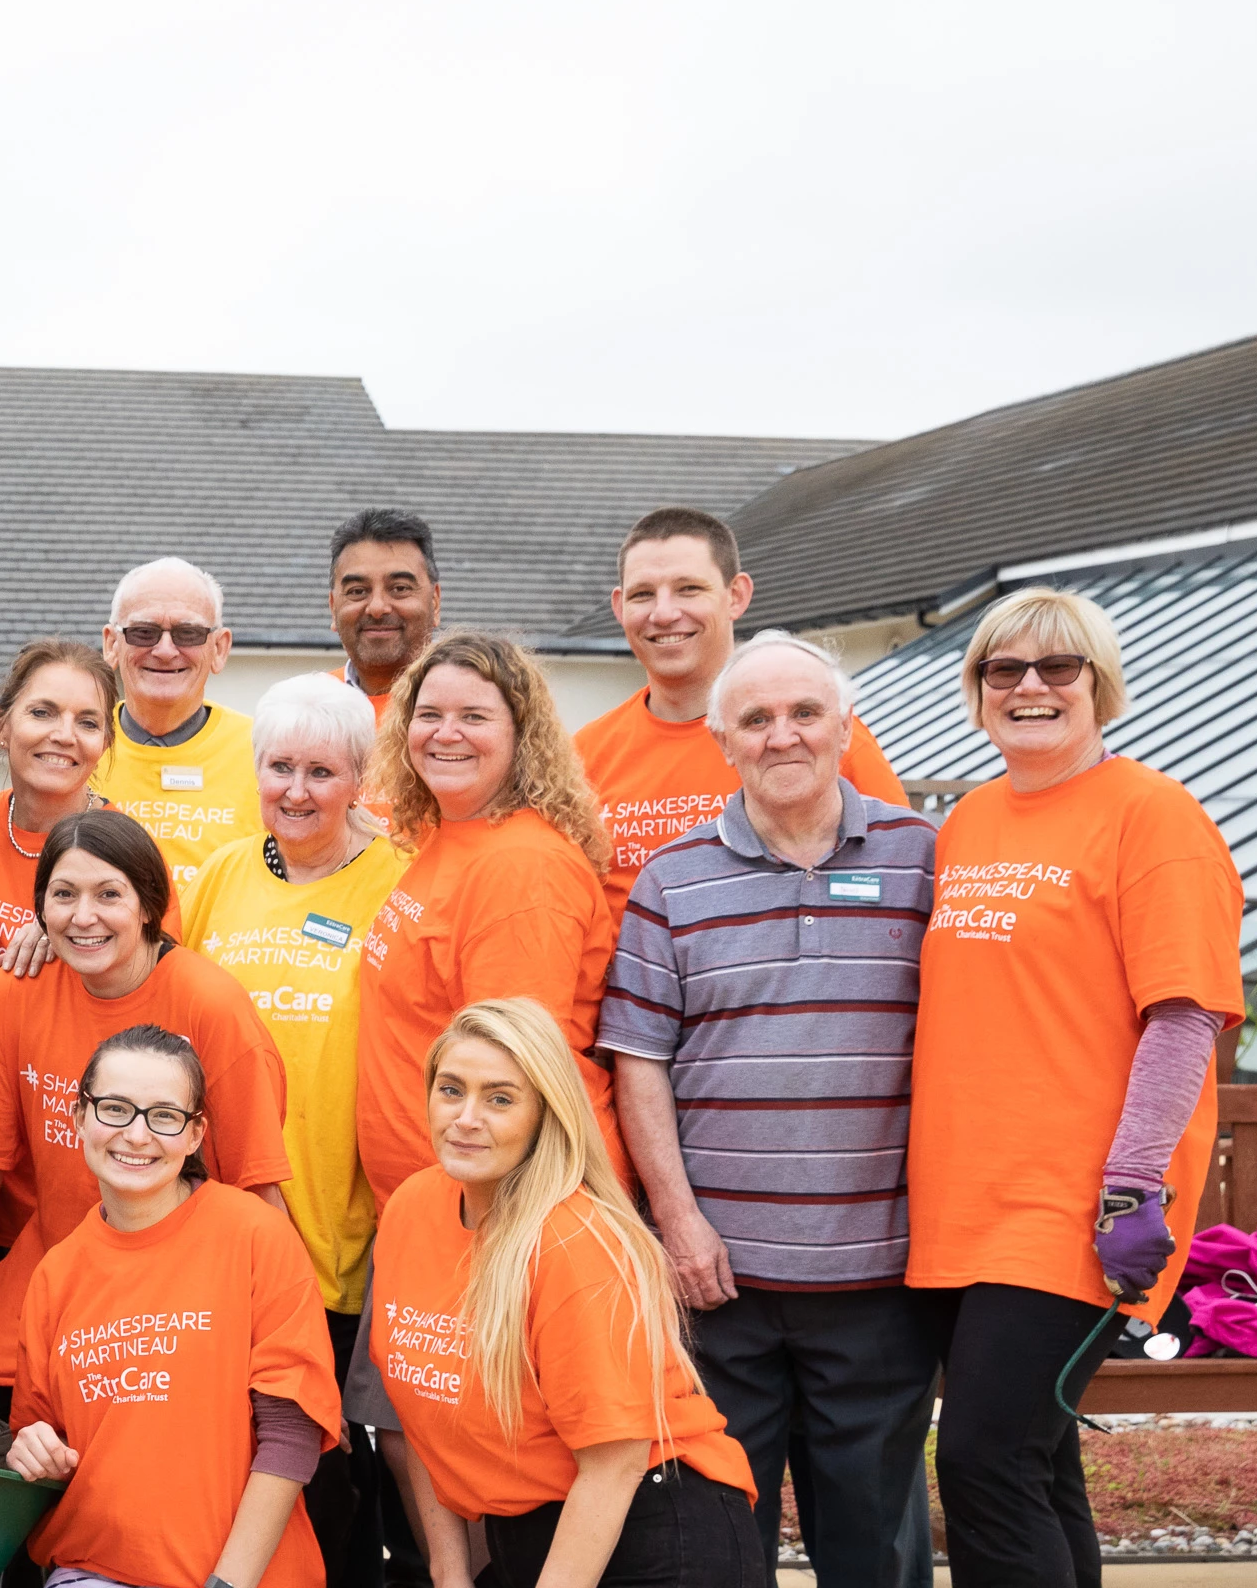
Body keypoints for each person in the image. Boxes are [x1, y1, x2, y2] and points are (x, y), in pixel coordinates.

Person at [906, 588, 1242, 1588]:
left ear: (1099, 681)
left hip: (1067, 1217)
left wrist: (1128, 1192)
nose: (1028, 685)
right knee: (1036, 1474)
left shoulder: (1150, 818)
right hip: (959, 1207)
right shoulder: (972, 818)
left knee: (985, 1469)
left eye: (1057, 666)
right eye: (1002, 668)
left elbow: (1179, 1019)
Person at [372, 1001, 865, 1588]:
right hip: (540, 1545)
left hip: (665, 1549)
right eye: (451, 1089)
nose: (465, 1116)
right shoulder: (415, 1208)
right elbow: (417, 1424)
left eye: (499, 1098)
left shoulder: (575, 1243)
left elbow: (612, 1467)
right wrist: (452, 1585)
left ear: (544, 1116)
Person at [598, 634, 950, 1588]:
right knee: (721, 1507)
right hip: (721, 1264)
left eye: (804, 712)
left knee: (873, 1503)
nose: (782, 735)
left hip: (877, 1257)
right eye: (756, 720)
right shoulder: (673, 880)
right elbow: (637, 1059)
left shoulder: (921, 861)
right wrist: (677, 1221)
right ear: (720, 740)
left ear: (844, 728)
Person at [0, 1027, 341, 1588]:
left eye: (162, 1115)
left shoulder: (252, 1236)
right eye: (114, 1108)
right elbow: (40, 1431)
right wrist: (29, 1444)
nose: (135, 1134)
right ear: (79, 1119)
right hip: (97, 1573)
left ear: (195, 1134)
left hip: (231, 1584)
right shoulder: (58, 1272)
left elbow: (291, 1436)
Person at [183, 674, 413, 1588]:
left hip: (344, 1210)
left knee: (329, 1454)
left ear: (359, 780)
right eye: (279, 766)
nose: (296, 786)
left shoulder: (394, 883)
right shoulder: (224, 875)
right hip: (232, 1216)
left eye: (322, 770)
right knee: (269, 1448)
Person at [0, 811, 291, 1391]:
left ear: (148, 905)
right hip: (52, 1277)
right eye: (63, 895)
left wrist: (283, 1355)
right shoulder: (16, 994)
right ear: (40, 909)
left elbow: (260, 1191)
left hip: (184, 1292)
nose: (83, 916)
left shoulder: (212, 1007)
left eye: (108, 894)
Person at [353, 632, 622, 1202]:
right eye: (429, 714)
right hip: (429, 1202)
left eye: (473, 716)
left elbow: (511, 1083)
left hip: (493, 1206)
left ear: (521, 736)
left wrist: (484, 1215)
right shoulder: (451, 834)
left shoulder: (523, 867)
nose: (446, 734)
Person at [572, 507, 905, 923]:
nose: (663, 613)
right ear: (619, 607)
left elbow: (896, 870)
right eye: (643, 594)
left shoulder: (817, 741)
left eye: (688, 589)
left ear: (736, 595)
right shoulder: (579, 759)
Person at [87, 556, 258, 898]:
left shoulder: (266, 756)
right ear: (111, 644)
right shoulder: (77, 749)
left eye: (188, 633)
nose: (165, 651)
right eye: (143, 632)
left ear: (220, 648)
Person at [0, 639, 117, 973]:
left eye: (88, 723)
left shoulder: (126, 851)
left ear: (104, 743)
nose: (65, 736)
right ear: (2, 727)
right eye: (42, 713)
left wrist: (66, 921)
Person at [329, 508, 443, 714]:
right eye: (357, 591)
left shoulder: (473, 708)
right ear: (333, 607)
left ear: (435, 602)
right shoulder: (302, 709)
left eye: (399, 588)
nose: (377, 608)